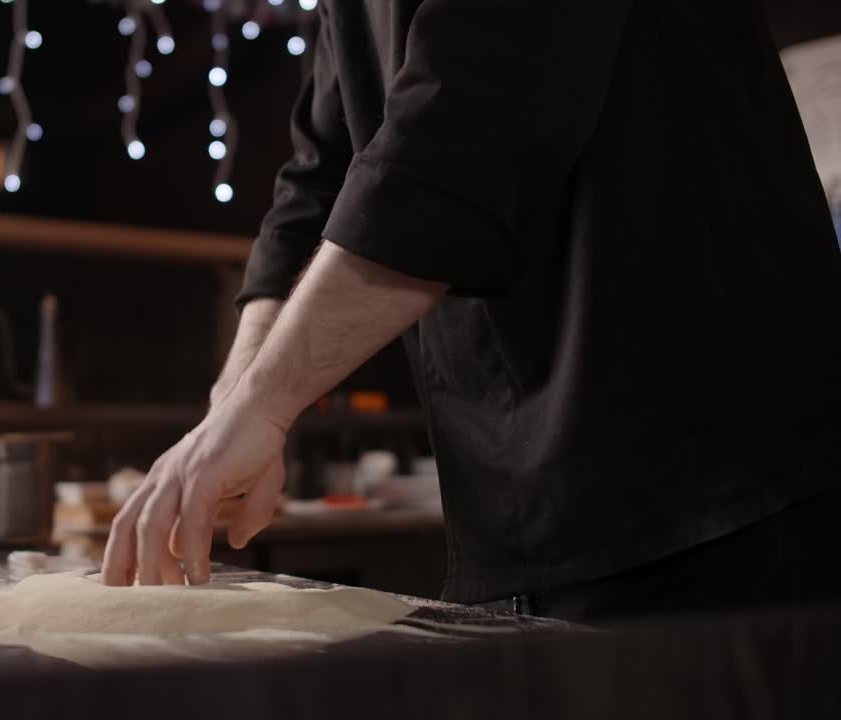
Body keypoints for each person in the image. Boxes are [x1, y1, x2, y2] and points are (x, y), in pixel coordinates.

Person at [102, 0, 841, 622]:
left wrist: (261, 409)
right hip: (518, 507)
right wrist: (235, 404)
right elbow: (320, 178)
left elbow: (469, 123)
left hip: (712, 478)